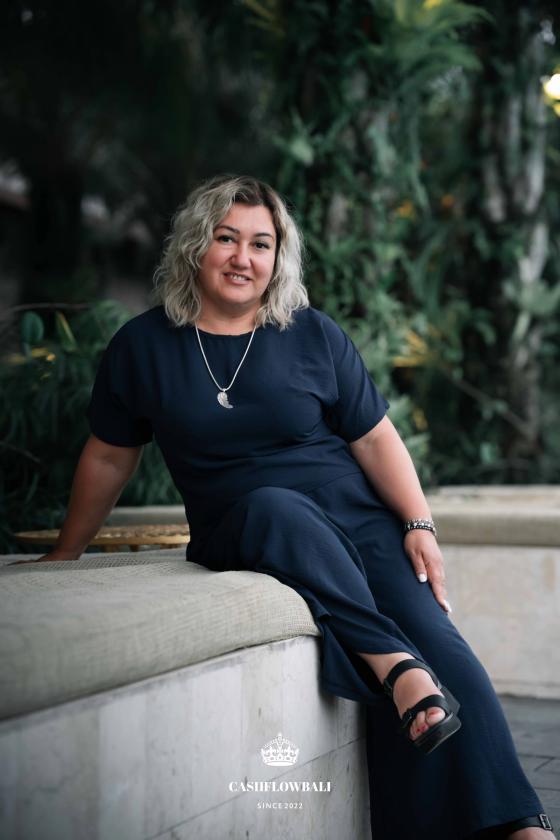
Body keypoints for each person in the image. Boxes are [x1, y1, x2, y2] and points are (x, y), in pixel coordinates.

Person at [14, 174, 555, 840]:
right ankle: (396, 666)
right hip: (244, 522)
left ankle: (518, 823)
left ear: (278, 257)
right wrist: (68, 549)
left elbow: (375, 438)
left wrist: (418, 524)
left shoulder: (312, 334)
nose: (243, 257)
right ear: (195, 246)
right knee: (279, 507)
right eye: (227, 238)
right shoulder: (143, 346)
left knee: (445, 647)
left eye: (261, 244)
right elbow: (108, 456)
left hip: (356, 520)